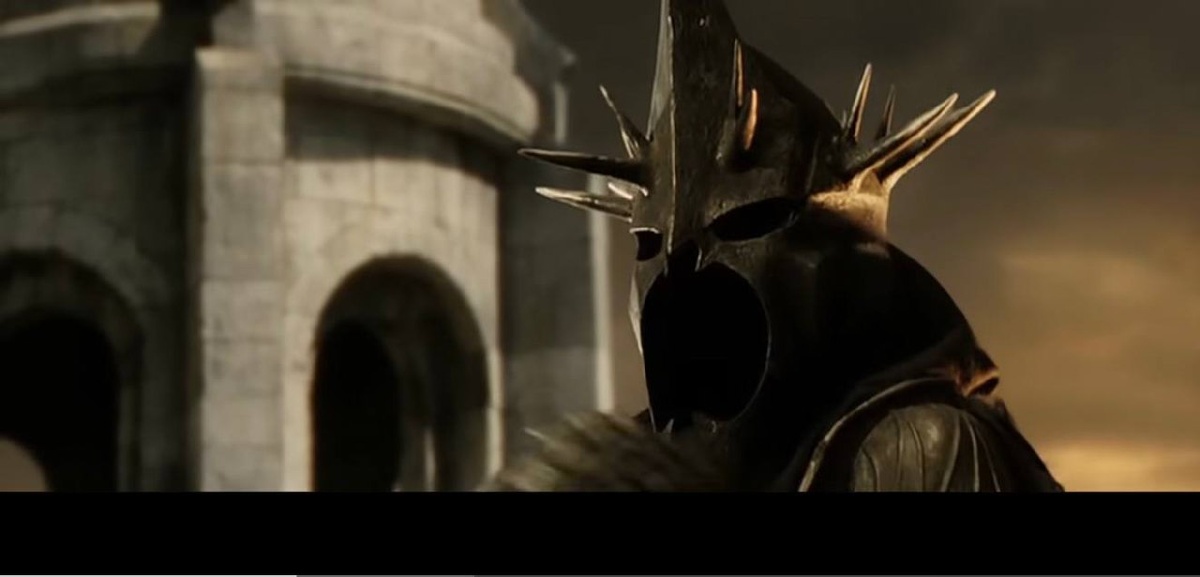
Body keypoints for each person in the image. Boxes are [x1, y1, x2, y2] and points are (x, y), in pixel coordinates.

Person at [493, 0, 1063, 492]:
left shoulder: (919, 448)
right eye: (650, 240)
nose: (682, 269)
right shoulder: (633, 470)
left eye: (749, 221)